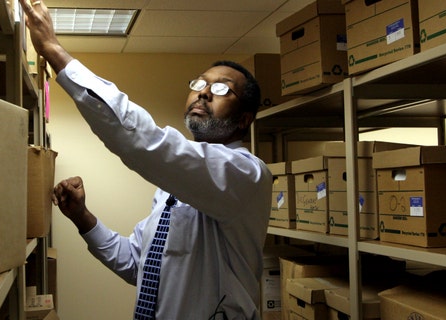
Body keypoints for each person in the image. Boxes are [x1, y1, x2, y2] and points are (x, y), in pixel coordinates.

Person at [22, 1, 273, 319]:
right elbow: (136, 264)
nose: (204, 93)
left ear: (244, 119)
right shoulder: (174, 189)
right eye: (199, 84)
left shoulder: (245, 174)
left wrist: (55, 51)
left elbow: (147, 143)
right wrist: (81, 216)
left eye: (222, 89)